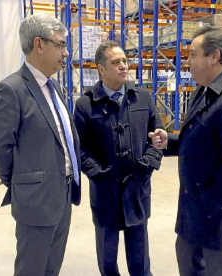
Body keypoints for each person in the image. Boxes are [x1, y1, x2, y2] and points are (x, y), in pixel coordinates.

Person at [149, 26, 222, 275]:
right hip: (195, 209)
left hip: (218, 217)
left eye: (192, 54)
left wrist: (212, 212)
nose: (187, 61)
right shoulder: (205, 88)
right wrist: (170, 141)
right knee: (187, 263)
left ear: (214, 56)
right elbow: (202, 138)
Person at [0, 14, 81, 276]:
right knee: (32, 269)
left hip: (62, 196)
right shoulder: (11, 90)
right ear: (39, 45)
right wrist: (22, 180)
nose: (66, 52)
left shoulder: (54, 89)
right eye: (60, 45)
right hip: (36, 201)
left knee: (52, 267)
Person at [73, 40, 163, 276]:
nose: (124, 66)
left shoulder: (142, 98)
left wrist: (147, 165)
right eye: (116, 62)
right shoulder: (85, 105)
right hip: (105, 193)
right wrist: (97, 173)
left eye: (124, 61)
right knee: (108, 261)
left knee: (140, 262)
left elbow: (158, 136)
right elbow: (78, 147)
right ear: (101, 69)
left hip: (137, 191)